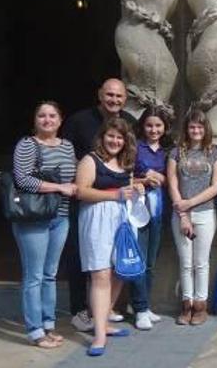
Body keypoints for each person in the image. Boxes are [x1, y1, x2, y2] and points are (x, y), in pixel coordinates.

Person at [61, 78, 136, 332]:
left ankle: (101, 313)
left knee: (115, 265)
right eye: (109, 95)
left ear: (125, 99)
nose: (114, 100)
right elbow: (66, 155)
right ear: (100, 95)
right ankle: (80, 310)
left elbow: (133, 159)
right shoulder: (78, 121)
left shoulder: (130, 122)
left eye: (119, 96)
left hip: (118, 210)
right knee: (84, 259)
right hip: (89, 202)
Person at [74, 117, 144, 356]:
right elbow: (81, 191)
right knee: (101, 274)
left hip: (122, 221)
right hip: (97, 220)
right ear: (102, 136)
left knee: (120, 271)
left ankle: (104, 321)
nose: (115, 141)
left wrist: (138, 188)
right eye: (111, 136)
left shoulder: (126, 163)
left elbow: (128, 190)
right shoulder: (90, 160)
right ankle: (99, 336)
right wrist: (115, 196)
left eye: (120, 137)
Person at [11, 101, 77, 348]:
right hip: (34, 218)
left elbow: (73, 176)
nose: (47, 120)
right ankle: (35, 331)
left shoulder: (68, 146)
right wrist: (59, 187)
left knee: (50, 274)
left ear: (60, 120)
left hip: (60, 217)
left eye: (52, 116)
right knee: (34, 276)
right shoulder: (27, 145)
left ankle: (48, 325)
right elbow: (23, 179)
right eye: (42, 115)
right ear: (35, 120)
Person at [167, 109, 217, 326]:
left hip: (206, 213)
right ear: (186, 129)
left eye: (200, 126)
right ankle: (186, 304)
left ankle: (201, 305)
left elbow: (215, 186)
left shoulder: (215, 154)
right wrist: (183, 213)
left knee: (201, 262)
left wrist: (190, 203)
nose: (196, 130)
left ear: (205, 128)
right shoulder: (175, 153)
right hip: (181, 215)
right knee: (185, 262)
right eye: (192, 127)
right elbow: (172, 182)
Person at [129, 106, 171, 330]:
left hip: (160, 211)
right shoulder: (135, 147)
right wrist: (144, 179)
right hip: (139, 210)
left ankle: (145, 305)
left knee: (151, 264)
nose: (153, 130)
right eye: (149, 125)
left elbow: (173, 179)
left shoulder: (168, 151)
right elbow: (124, 175)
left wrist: (163, 178)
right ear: (142, 126)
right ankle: (139, 308)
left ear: (164, 128)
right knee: (139, 260)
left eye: (158, 125)